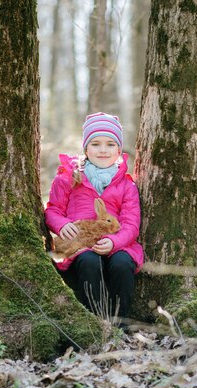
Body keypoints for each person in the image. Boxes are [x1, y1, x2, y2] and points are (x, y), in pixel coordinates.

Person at [45, 112, 144, 325]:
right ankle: (93, 322)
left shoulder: (126, 185)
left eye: (110, 144)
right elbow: (53, 210)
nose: (102, 150)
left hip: (117, 244)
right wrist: (62, 225)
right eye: (96, 144)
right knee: (89, 261)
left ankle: (120, 324)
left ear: (119, 150)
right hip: (79, 244)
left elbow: (131, 223)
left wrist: (115, 242)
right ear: (86, 149)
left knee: (121, 264)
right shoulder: (69, 177)